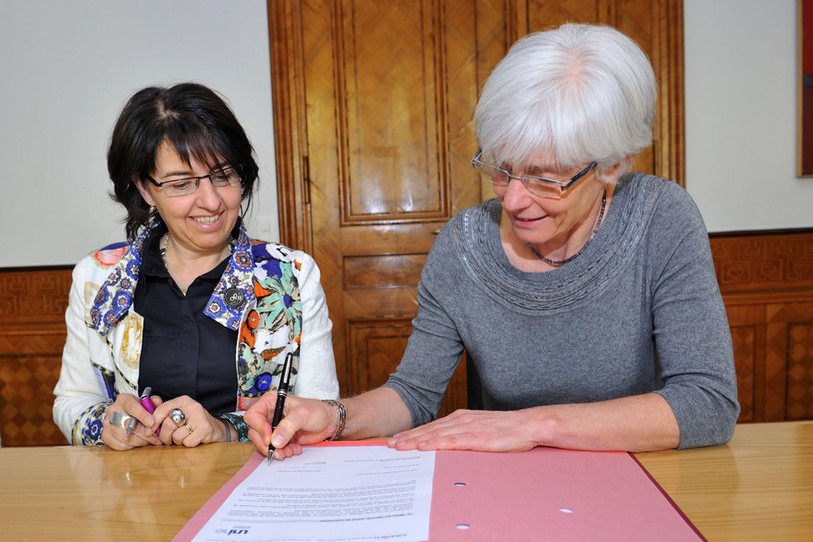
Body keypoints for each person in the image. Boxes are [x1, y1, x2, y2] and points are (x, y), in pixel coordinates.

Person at [245, 23, 740, 459]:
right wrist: (333, 416)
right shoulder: (463, 245)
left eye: (546, 179)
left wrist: (534, 425)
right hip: (506, 493)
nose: (515, 200)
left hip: (642, 481)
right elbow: (413, 395)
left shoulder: (661, 218)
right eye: (502, 170)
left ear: (613, 165)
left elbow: (708, 403)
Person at [53, 83, 339, 450]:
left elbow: (320, 413)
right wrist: (105, 424)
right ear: (145, 190)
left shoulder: (292, 277)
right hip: (138, 499)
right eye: (181, 183)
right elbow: (72, 401)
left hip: (257, 490)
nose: (211, 201)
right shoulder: (98, 278)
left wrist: (224, 430)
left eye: (223, 175)